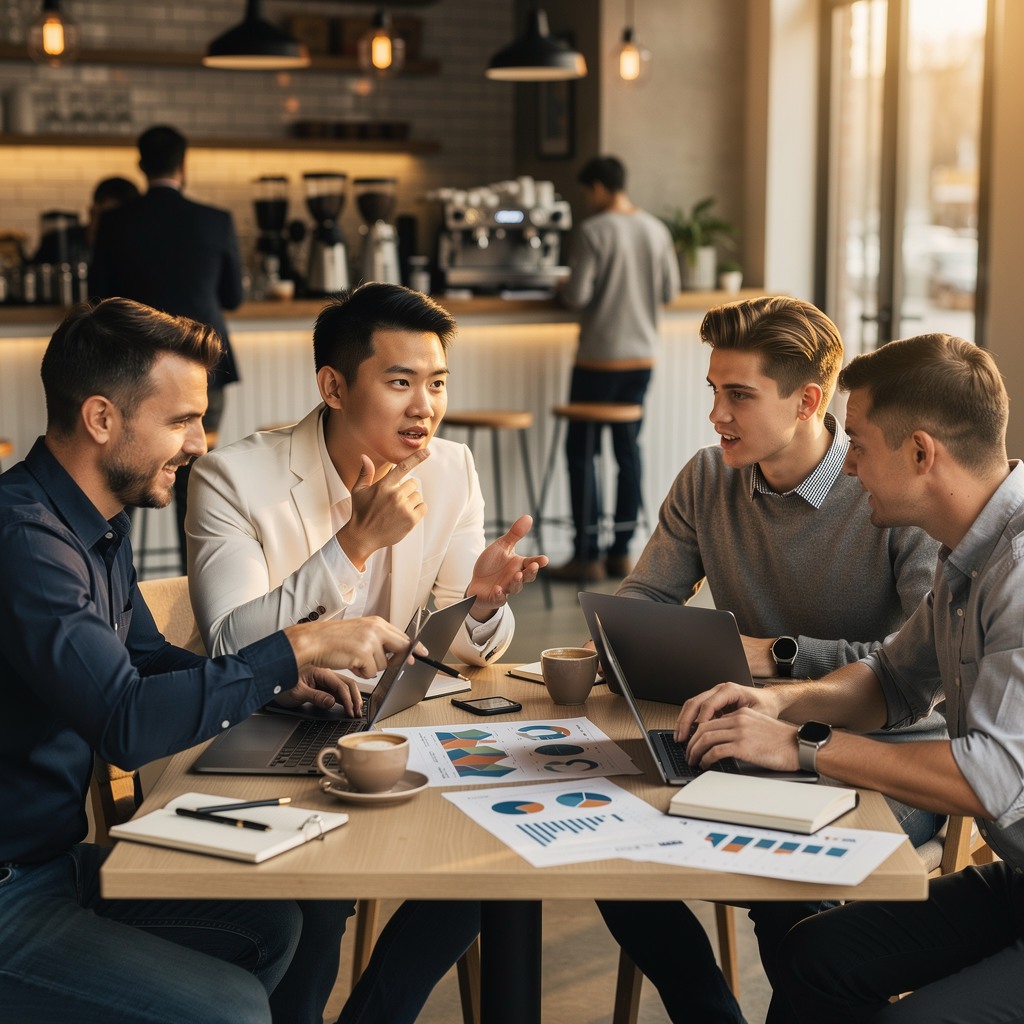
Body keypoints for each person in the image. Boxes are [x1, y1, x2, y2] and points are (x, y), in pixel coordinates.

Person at [0, 297, 419, 1024]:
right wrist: (289, 648)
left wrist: (279, 684)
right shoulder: (24, 541)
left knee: (273, 924)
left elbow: (145, 658)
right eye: (180, 420)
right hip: (10, 888)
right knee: (230, 1009)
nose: (199, 443)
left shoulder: (94, 521)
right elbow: (124, 722)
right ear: (103, 419)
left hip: (51, 865)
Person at [593, 296, 945, 1024]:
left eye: (739, 396)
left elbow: (928, 661)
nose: (716, 415)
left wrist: (777, 656)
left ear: (808, 401)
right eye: (714, 392)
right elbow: (645, 601)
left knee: (785, 878)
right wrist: (637, 637)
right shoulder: (706, 478)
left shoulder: (889, 485)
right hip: (753, 736)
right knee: (600, 838)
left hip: (891, 754)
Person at [674, 333, 1024, 1023]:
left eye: (859, 445)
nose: (851, 467)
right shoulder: (968, 553)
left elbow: (995, 776)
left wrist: (804, 744)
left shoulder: (1017, 569)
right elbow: (890, 682)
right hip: (1016, 884)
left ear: (922, 453)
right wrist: (775, 705)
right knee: (816, 956)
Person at [186, 281, 547, 667]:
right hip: (270, 717)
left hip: (389, 719)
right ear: (334, 388)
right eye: (401, 383)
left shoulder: (451, 469)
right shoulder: (229, 479)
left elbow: (468, 649)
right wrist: (353, 545)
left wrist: (479, 608)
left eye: (437, 384)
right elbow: (230, 648)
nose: (424, 408)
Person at [90, 124, 243, 570]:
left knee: (124, 476)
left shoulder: (117, 222)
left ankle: (118, 579)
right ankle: (194, 586)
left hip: (130, 373)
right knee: (192, 481)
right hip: (203, 371)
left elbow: (96, 300)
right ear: (184, 164)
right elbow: (232, 297)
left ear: (140, 165)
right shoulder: (215, 220)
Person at [550, 154, 679, 582]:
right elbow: (670, 291)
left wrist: (562, 284)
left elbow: (578, 296)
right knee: (628, 452)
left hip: (598, 360)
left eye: (589, 191)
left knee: (581, 453)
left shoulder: (593, 231)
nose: (589, 199)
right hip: (641, 359)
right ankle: (621, 553)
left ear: (599, 188)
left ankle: (586, 555)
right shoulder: (655, 229)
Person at [32, 176, 140, 267]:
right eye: (108, 217)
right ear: (92, 210)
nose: (113, 225)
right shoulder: (57, 242)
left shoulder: (132, 250)